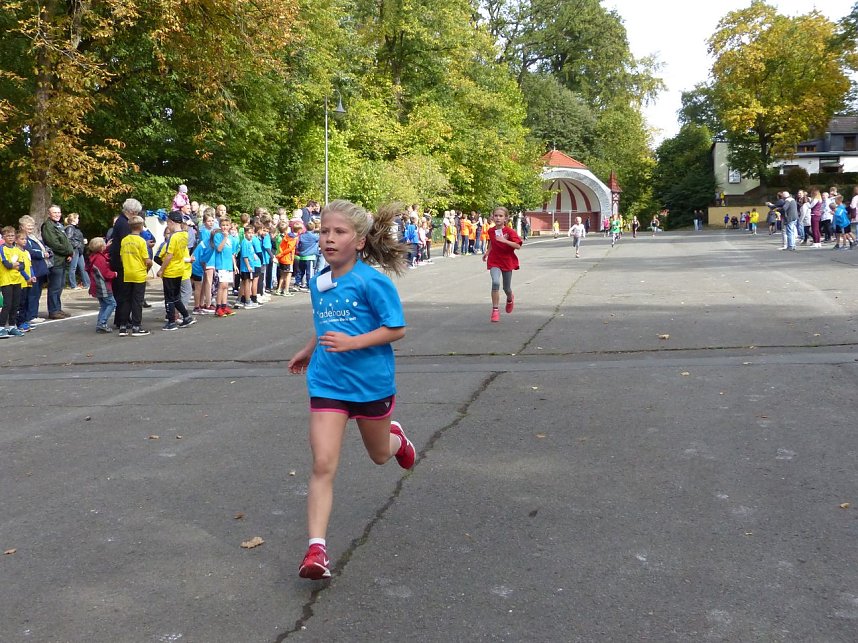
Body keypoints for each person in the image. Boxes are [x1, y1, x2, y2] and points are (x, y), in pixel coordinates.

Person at [288, 200, 415, 581]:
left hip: (371, 383)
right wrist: (310, 349)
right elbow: (324, 321)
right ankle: (316, 550)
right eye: (324, 231)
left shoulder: (372, 281)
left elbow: (396, 329)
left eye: (339, 232)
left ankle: (397, 440)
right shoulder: (318, 281)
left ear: (359, 241)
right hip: (327, 383)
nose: (328, 238)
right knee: (323, 464)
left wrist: (353, 342)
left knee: (379, 456)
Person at [157, 212, 196, 330]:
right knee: (176, 296)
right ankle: (186, 316)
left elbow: (169, 255)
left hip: (171, 270)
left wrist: (161, 269)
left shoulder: (173, 237)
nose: (168, 225)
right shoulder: (184, 235)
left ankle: (171, 321)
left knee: (169, 298)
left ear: (172, 222)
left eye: (168, 223)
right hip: (179, 268)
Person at [483, 206, 522, 323]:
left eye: (501, 216)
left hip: (507, 261)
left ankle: (510, 298)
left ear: (506, 218)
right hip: (494, 260)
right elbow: (492, 242)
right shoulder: (491, 230)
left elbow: (518, 246)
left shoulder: (510, 232)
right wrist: (487, 252)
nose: (498, 218)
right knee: (495, 282)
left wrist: (505, 241)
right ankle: (495, 310)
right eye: (496, 216)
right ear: (492, 217)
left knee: (506, 288)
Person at [118, 216, 151, 336]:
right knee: (137, 301)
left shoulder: (125, 240)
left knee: (126, 300)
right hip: (138, 273)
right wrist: (150, 264)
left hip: (127, 272)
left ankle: (123, 326)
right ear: (141, 226)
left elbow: (122, 258)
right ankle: (137, 326)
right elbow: (146, 260)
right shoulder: (141, 241)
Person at [41, 204, 74, 319]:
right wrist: (68, 251)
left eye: (58, 212)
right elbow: (53, 244)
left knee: (59, 286)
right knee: (54, 287)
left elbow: (65, 241)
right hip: (55, 260)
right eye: (54, 213)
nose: (57, 215)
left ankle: (58, 309)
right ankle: (53, 311)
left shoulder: (59, 225)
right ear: (49, 214)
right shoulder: (48, 226)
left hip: (62, 259)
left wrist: (69, 253)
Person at [0, 226, 28, 338]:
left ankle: (12, 326)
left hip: (17, 280)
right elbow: (6, 265)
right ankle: (1, 327)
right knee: (7, 304)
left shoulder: (17, 249)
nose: (11, 238)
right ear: (3, 237)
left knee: (15, 304)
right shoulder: (2, 249)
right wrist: (14, 265)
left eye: (12, 236)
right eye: (8, 236)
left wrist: (15, 266)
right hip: (6, 280)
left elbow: (22, 265)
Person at [85, 237, 117, 333]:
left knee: (104, 305)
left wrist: (107, 247)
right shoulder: (100, 259)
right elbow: (105, 273)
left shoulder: (94, 256)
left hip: (96, 285)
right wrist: (114, 274)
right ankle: (102, 323)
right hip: (103, 285)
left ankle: (100, 323)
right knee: (112, 303)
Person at [212, 218, 236, 317]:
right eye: (223, 225)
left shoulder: (232, 238)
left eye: (227, 225)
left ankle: (224, 305)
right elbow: (219, 248)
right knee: (221, 286)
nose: (225, 227)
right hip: (221, 264)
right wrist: (225, 238)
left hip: (228, 264)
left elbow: (232, 253)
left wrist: (234, 265)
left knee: (226, 286)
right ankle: (218, 307)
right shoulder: (218, 236)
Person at [64, 213, 90, 289]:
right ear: (74, 219)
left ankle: (87, 284)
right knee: (73, 268)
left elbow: (75, 238)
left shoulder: (75, 228)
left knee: (83, 267)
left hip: (79, 250)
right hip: (75, 250)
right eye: (77, 218)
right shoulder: (70, 228)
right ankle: (73, 285)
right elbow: (68, 239)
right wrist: (78, 244)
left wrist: (82, 241)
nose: (78, 220)